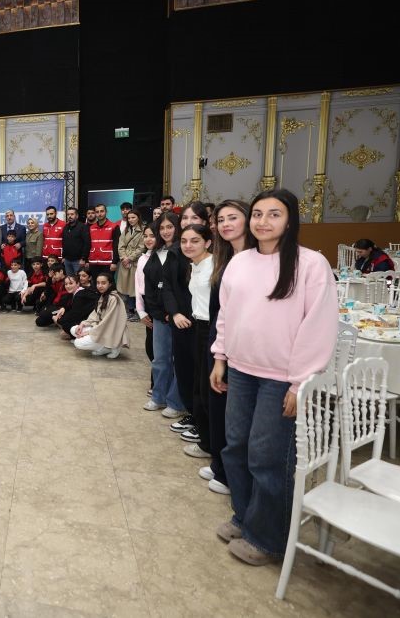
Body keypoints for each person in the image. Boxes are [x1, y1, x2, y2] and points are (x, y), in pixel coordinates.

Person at [210, 189, 336, 566]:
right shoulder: (240, 262)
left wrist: (300, 382)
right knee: (236, 447)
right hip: (241, 370)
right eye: (258, 214)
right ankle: (245, 516)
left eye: (274, 214)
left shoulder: (311, 264)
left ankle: (268, 538)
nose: (263, 221)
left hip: (281, 378)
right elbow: (227, 314)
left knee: (268, 456)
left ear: (290, 219)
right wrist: (220, 357)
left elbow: (318, 326)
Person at [201, 200, 249, 497]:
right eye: (221, 220)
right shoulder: (225, 256)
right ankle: (220, 463)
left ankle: (231, 473)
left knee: (234, 412)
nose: (225, 224)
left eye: (233, 218)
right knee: (217, 404)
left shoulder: (257, 258)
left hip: (241, 343)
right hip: (218, 338)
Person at [142, 212, 189, 418]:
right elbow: (149, 288)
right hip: (160, 316)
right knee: (160, 359)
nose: (166, 231)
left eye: (170, 227)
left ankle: (176, 402)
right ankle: (158, 396)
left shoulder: (183, 251)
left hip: (181, 316)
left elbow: (184, 288)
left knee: (179, 361)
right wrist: (158, 313)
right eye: (162, 228)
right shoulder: (155, 253)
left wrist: (175, 312)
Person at [172, 223, 214, 453]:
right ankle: (203, 434)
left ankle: (208, 442)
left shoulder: (215, 266)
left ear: (207, 242)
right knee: (198, 382)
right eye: (184, 241)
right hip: (198, 326)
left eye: (195, 241)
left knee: (208, 386)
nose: (188, 245)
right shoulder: (194, 266)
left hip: (212, 328)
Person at [72, 275, 129, 358]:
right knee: (74, 329)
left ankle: (112, 346)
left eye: (103, 283)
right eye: (98, 283)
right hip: (102, 328)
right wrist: (83, 324)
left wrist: (89, 332)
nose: (100, 286)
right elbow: (95, 315)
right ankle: (105, 346)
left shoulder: (113, 298)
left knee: (78, 343)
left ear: (110, 284)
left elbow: (107, 323)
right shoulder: (104, 296)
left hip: (111, 332)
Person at [135, 225, 157, 395]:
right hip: (146, 305)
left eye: (152, 235)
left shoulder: (164, 257)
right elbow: (137, 285)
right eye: (146, 236)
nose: (148, 239)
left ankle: (156, 384)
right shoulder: (143, 258)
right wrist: (141, 311)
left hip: (160, 307)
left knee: (159, 349)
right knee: (150, 347)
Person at [116, 208, 145, 321]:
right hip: (125, 262)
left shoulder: (143, 230)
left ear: (138, 218)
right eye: (129, 218)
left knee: (135, 288)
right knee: (125, 288)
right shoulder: (126, 230)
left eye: (133, 217)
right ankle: (129, 310)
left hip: (135, 263)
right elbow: (120, 245)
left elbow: (142, 247)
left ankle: (137, 311)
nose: (131, 220)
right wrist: (124, 258)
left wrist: (129, 258)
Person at [88, 203, 120, 282]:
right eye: (97, 212)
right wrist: (86, 260)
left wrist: (114, 262)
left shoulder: (114, 226)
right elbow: (88, 245)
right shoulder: (91, 228)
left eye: (102, 211)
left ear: (106, 212)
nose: (99, 214)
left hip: (108, 263)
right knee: (96, 284)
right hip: (93, 263)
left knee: (108, 285)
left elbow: (117, 245)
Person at [61, 206, 90, 277]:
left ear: (77, 216)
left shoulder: (83, 227)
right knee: (70, 280)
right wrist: (63, 256)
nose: (70, 216)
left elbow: (87, 244)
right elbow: (64, 242)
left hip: (78, 261)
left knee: (79, 280)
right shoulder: (65, 227)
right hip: (67, 260)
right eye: (68, 214)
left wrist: (83, 258)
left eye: (72, 214)